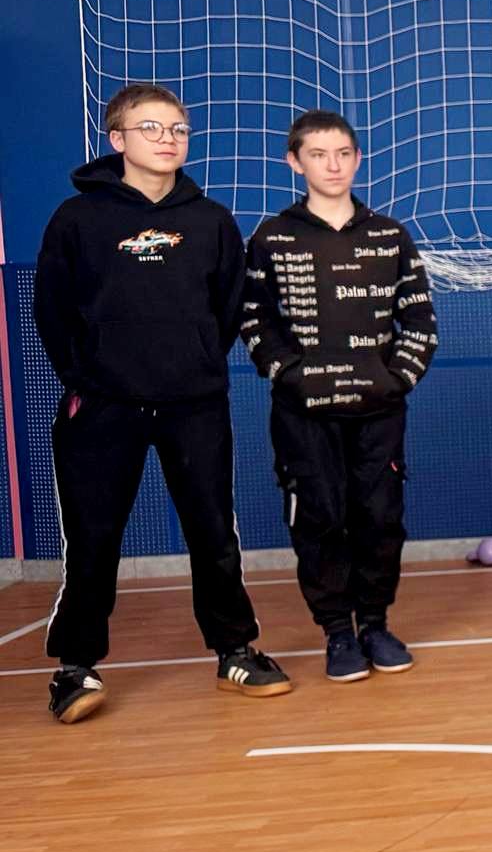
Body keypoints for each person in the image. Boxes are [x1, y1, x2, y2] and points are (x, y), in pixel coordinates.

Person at [33, 82, 289, 721]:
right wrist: (91, 376)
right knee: (93, 538)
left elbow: (227, 308)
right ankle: (75, 668)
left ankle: (235, 650)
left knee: (213, 531)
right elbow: (52, 311)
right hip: (103, 406)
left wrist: (193, 362)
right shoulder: (77, 219)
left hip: (193, 403)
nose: (168, 139)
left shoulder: (211, 220)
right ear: (118, 139)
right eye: (151, 128)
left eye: (177, 129)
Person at [238, 110, 439, 682]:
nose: (333, 166)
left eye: (344, 154)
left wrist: (395, 379)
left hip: (379, 414)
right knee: (319, 517)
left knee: (380, 517)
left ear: (357, 159)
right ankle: (337, 634)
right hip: (303, 416)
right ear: (294, 162)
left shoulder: (390, 235)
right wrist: (290, 375)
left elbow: (420, 321)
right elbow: (254, 320)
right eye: (319, 155)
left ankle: (375, 624)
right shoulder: (272, 237)